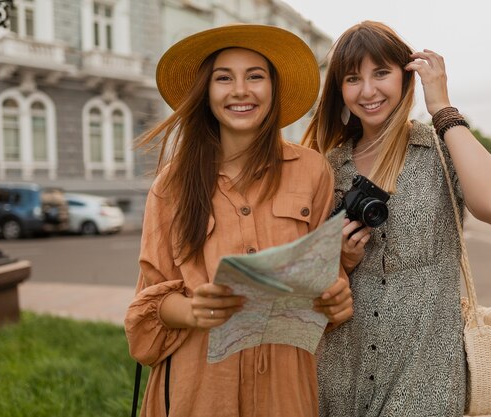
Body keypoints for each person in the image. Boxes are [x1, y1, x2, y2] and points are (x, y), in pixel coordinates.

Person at [124, 24, 353, 417]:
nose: (240, 90)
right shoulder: (171, 185)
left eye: (255, 76)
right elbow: (147, 309)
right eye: (223, 78)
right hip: (199, 386)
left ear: (273, 88)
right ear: (206, 92)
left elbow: (326, 277)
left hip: (285, 386)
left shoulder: (313, 171)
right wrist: (193, 310)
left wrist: (337, 298)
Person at [302, 21, 491, 416]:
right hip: (340, 372)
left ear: (406, 75)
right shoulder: (327, 166)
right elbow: (308, 274)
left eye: (381, 73)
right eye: (353, 78)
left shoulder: (440, 148)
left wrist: (442, 109)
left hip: (427, 372)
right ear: (339, 90)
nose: (368, 91)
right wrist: (343, 261)